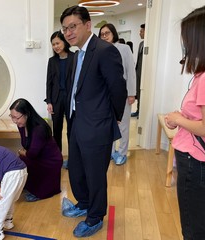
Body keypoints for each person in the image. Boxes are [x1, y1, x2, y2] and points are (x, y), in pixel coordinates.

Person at [60, 5, 127, 238]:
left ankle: (96, 215)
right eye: (65, 28)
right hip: (77, 122)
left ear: (88, 25)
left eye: (73, 26)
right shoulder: (76, 54)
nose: (68, 32)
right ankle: (84, 202)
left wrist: (114, 118)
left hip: (98, 125)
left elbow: (118, 89)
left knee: (95, 173)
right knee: (76, 168)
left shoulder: (104, 50)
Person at [164, 5, 205, 240]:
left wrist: (179, 118)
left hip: (195, 163)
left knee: (193, 228)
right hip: (195, 160)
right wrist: (181, 117)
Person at [9, 98, 62, 202]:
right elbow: (26, 146)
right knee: (19, 160)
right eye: (12, 117)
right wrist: (23, 152)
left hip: (50, 161)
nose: (14, 121)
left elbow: (32, 153)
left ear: (27, 114)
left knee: (21, 159)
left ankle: (40, 191)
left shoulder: (39, 128)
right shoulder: (22, 125)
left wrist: (22, 152)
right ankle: (29, 185)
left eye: (16, 117)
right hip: (38, 157)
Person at [99, 23, 136, 165]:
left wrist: (131, 93)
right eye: (102, 34)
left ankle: (122, 153)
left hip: (123, 94)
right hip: (106, 95)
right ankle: (110, 151)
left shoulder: (124, 48)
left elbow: (131, 72)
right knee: (109, 125)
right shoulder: (100, 50)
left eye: (107, 33)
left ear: (113, 33)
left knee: (123, 125)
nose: (104, 36)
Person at [45, 30, 74, 168]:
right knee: (56, 129)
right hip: (56, 99)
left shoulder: (75, 57)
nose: (56, 46)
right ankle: (58, 158)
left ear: (64, 42)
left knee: (72, 129)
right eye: (53, 44)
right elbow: (49, 82)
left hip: (70, 99)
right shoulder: (52, 61)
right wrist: (49, 101)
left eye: (58, 43)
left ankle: (73, 158)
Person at [131, 23, 145, 118]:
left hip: (144, 73)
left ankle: (142, 111)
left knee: (143, 93)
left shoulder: (149, 44)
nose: (139, 33)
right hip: (138, 72)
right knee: (138, 92)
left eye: (141, 31)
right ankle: (138, 110)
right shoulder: (141, 44)